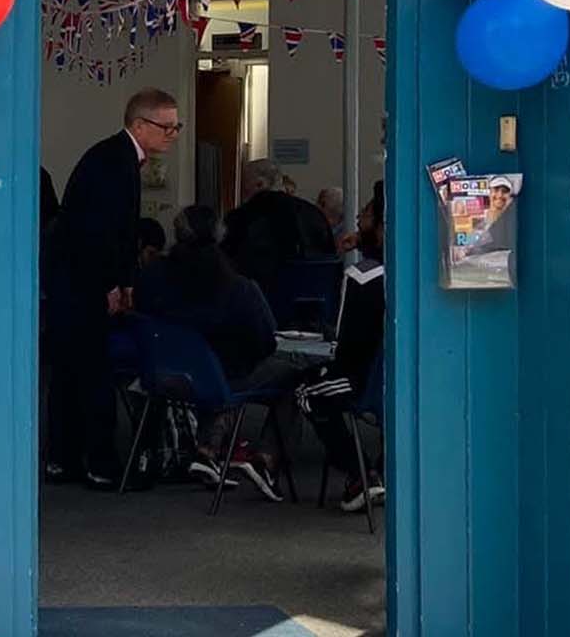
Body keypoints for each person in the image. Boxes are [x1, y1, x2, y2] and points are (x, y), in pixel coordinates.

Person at [44, 88, 180, 490]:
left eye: (177, 127)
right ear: (139, 125)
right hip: (82, 284)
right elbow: (100, 232)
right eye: (166, 126)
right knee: (91, 373)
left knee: (70, 373)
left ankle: (64, 459)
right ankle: (99, 463)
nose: (172, 134)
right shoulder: (114, 163)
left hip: (76, 281)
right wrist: (112, 283)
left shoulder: (112, 157)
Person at [136, 202, 300, 501]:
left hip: (161, 375)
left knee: (219, 373)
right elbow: (266, 340)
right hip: (221, 378)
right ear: (220, 236)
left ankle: (208, 449)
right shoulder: (238, 288)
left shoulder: (151, 277)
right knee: (292, 377)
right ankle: (265, 458)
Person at [296, 260, 386, 512]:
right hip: (399, 385)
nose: (358, 220)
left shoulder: (361, 276)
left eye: (365, 218)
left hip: (361, 381)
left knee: (307, 393)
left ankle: (360, 473)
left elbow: (345, 341)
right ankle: (384, 470)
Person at [223, 159, 337, 287]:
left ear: (259, 184)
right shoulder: (314, 214)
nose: (242, 192)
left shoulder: (243, 217)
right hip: (314, 294)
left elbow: (228, 263)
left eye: (244, 185)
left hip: (263, 296)